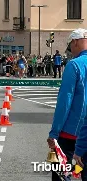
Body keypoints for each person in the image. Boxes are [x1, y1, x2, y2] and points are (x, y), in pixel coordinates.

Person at [47, 28, 87, 181]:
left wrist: (54, 133)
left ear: (75, 42)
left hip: (72, 131)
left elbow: (65, 101)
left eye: (71, 44)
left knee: (61, 172)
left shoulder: (74, 65)